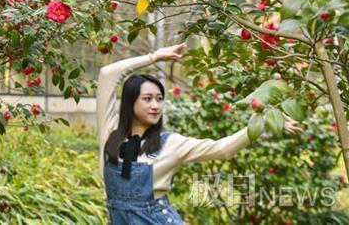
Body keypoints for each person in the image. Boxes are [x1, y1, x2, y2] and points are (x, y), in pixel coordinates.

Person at [96, 43, 302, 224]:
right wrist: (153, 57)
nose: (156, 105)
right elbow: (107, 74)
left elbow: (222, 149)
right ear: (130, 101)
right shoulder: (110, 133)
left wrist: (263, 122)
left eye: (160, 99)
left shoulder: (170, 143)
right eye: (147, 99)